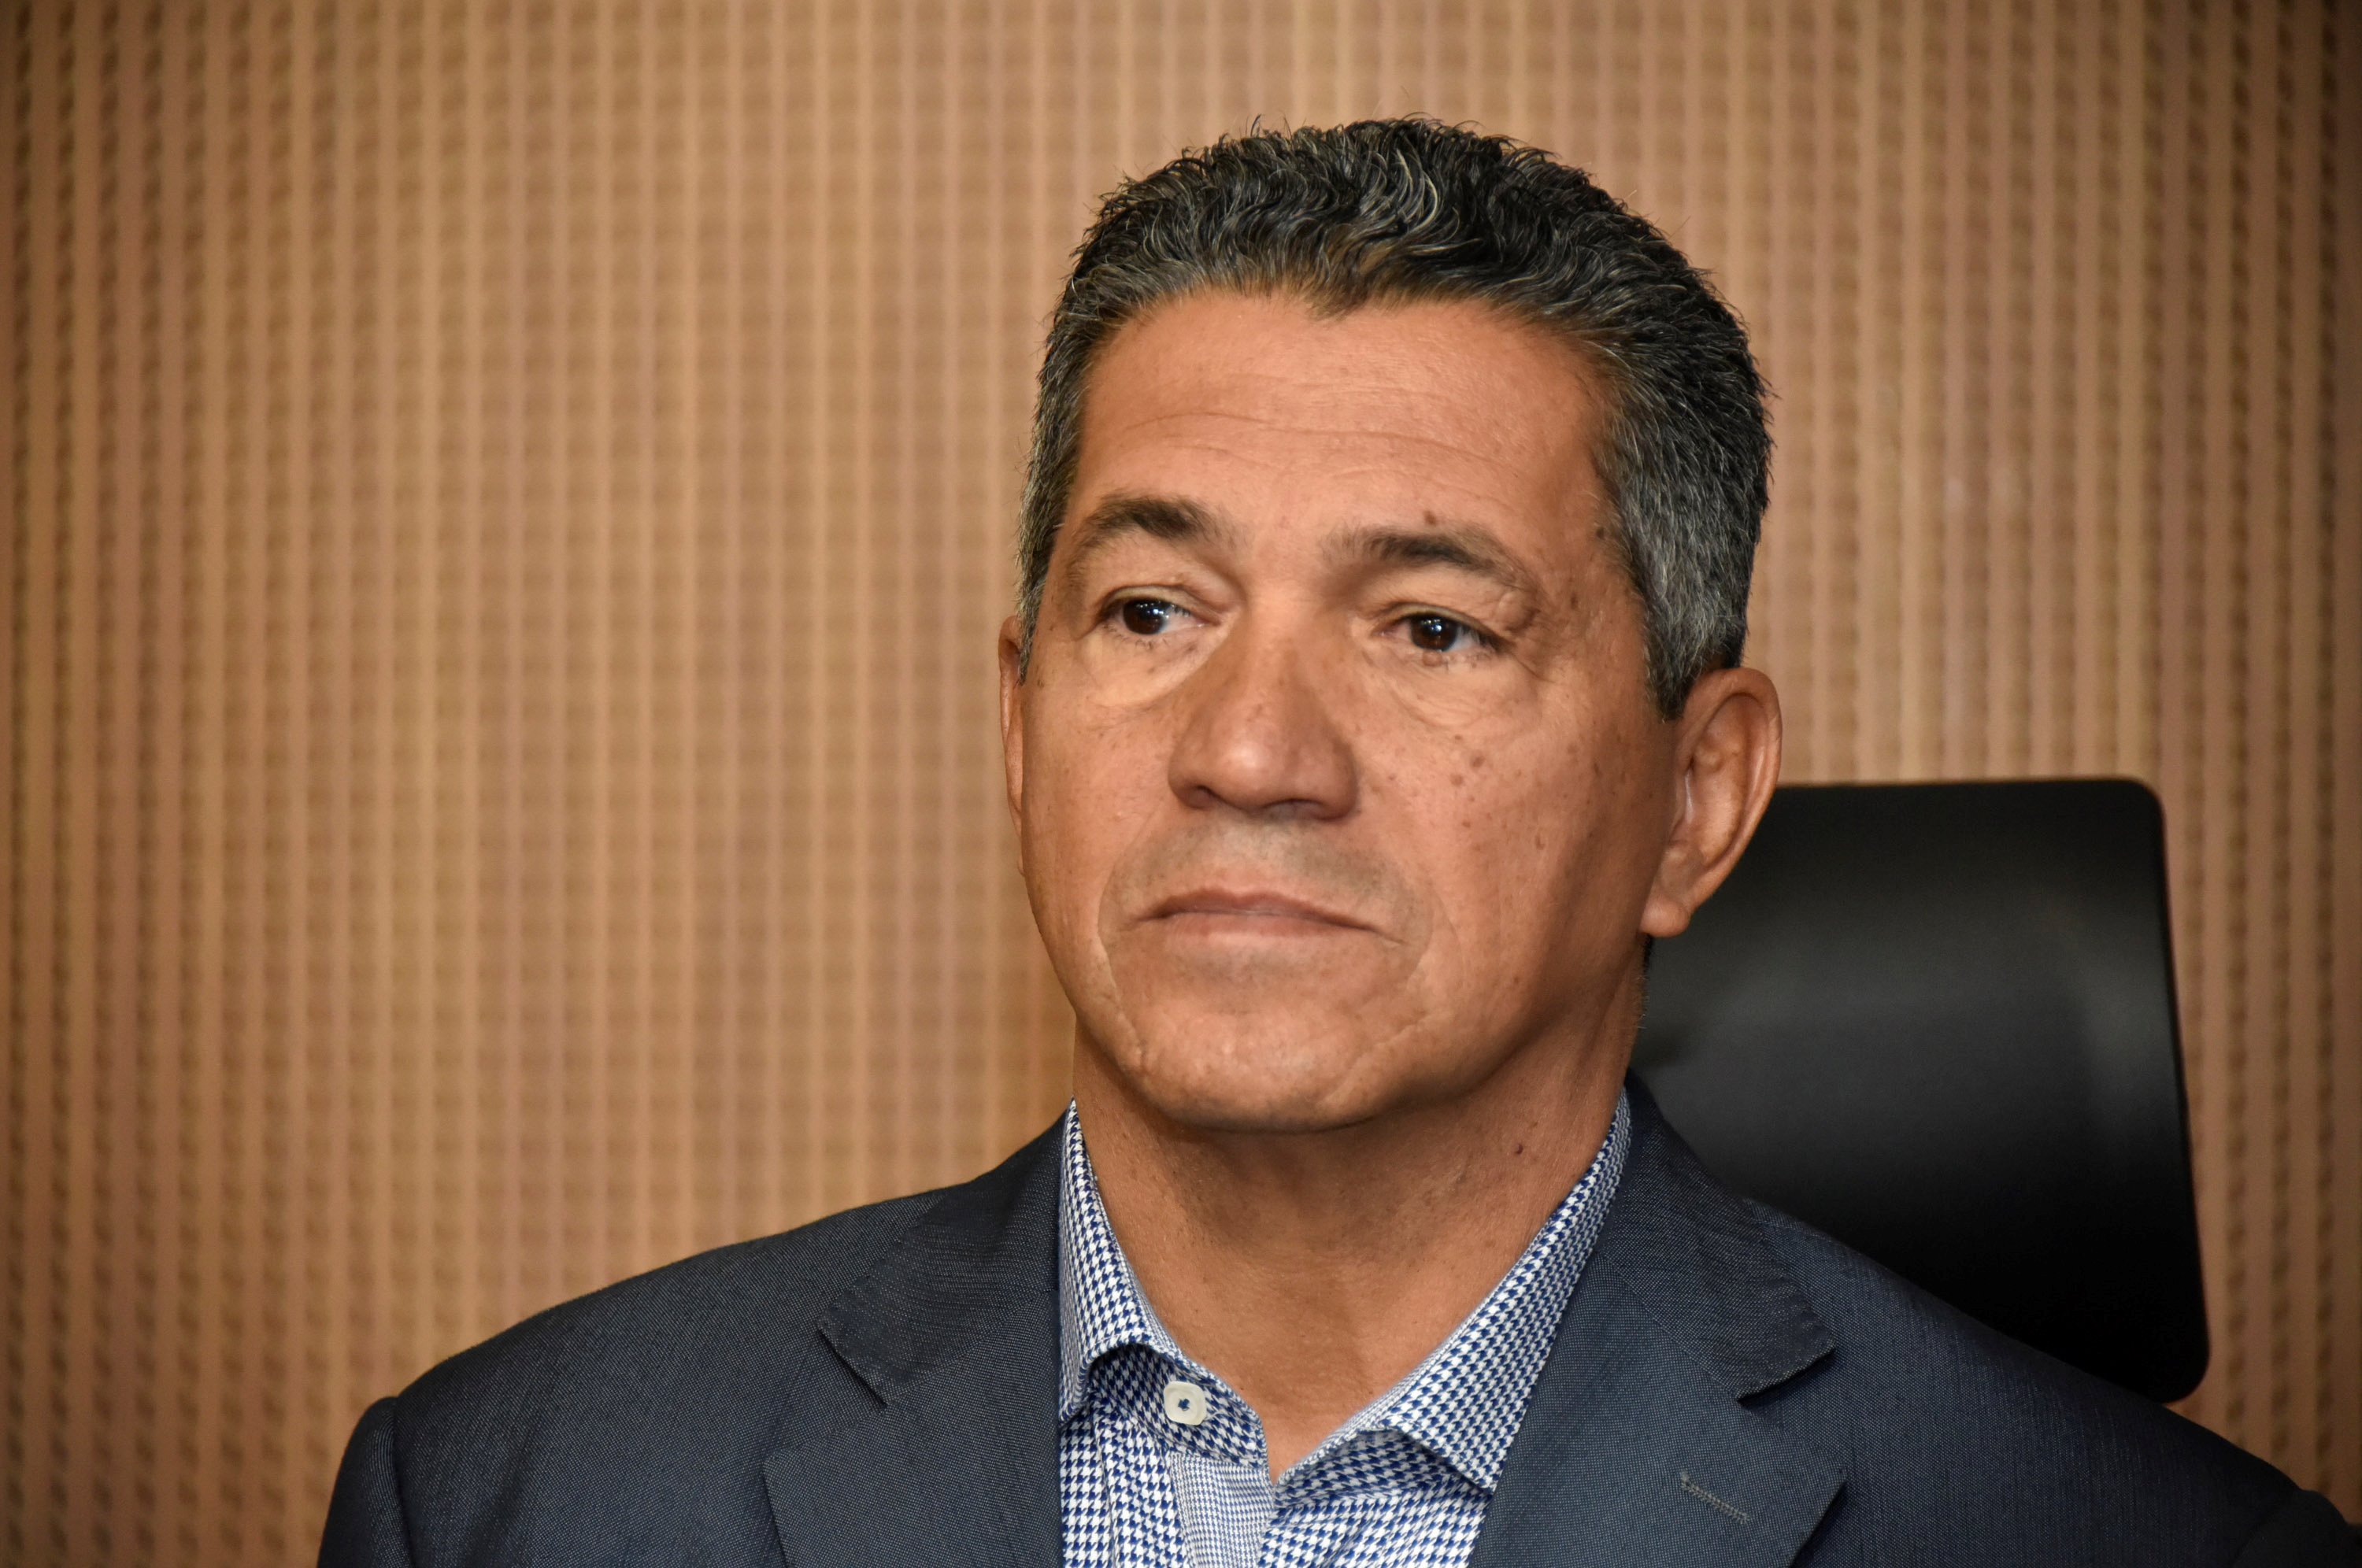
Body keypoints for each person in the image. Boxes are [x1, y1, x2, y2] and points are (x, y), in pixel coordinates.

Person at [318, 118, 2356, 1568]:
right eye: (1152, 612)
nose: (1251, 750)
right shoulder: (517, 1497)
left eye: (1432, 629)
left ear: (1699, 796)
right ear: (1019, 726)